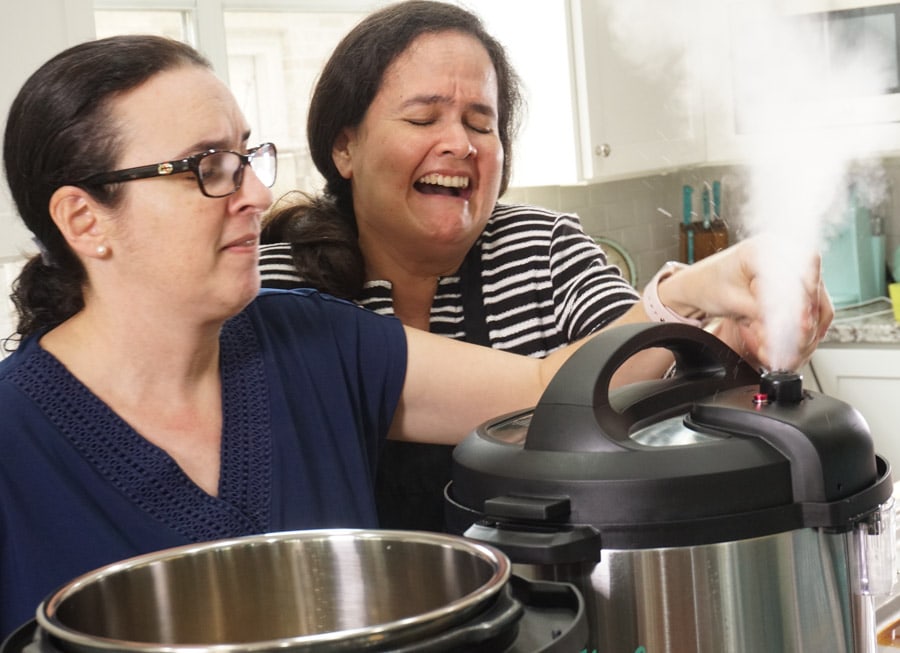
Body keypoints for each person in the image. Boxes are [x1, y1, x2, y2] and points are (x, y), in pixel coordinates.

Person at [0, 33, 826, 638]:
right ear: (85, 219)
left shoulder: (315, 344)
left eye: (248, 155)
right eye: (206, 166)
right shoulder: (14, 437)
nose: (253, 190)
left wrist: (696, 291)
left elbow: (546, 391)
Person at [257, 0, 835, 531]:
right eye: (423, 119)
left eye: (481, 124)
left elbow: (644, 373)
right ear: (344, 147)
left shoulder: (542, 246)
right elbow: (552, 388)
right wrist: (686, 290)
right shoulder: (278, 291)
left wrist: (734, 336)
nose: (460, 143)